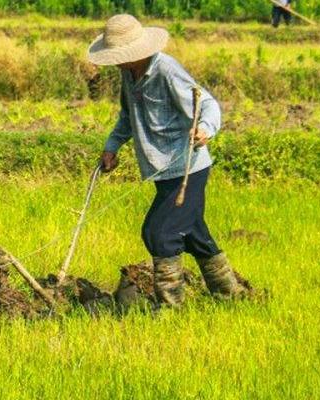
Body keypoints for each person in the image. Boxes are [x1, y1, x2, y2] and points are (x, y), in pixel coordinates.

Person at [86, 14, 251, 307]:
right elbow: (128, 116)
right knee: (193, 234)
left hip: (186, 167)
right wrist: (112, 146)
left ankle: (170, 308)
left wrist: (206, 128)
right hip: (160, 170)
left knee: (158, 232)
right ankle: (232, 296)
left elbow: (208, 103)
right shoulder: (128, 74)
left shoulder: (166, 70)